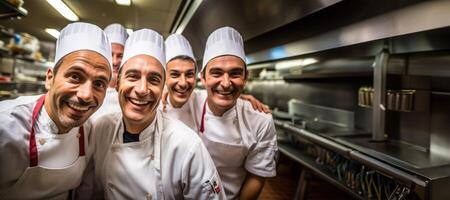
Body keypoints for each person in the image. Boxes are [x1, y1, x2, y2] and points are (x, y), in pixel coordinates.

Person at [83, 28, 226, 199]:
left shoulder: (188, 146)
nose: (142, 89)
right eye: (133, 76)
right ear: (118, 82)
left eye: (153, 79)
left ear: (162, 87)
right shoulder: (101, 129)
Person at [0, 22, 112, 199]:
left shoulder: (88, 129)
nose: (86, 95)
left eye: (99, 84)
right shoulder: (5, 126)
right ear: (50, 78)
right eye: (75, 76)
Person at [195, 26, 278, 200]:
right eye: (216, 73)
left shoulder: (260, 120)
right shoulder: (186, 103)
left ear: (245, 77)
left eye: (235, 74)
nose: (226, 83)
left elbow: (257, 175)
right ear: (202, 78)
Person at [161, 34, 270, 131]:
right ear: (164, 76)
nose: (183, 83)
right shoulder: (153, 108)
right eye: (175, 74)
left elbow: (220, 96)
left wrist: (238, 97)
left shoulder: (199, 99)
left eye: (189, 74)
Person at [90, 23, 129, 121]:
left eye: (120, 56)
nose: (115, 62)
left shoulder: (131, 93)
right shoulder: (89, 89)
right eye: (111, 54)